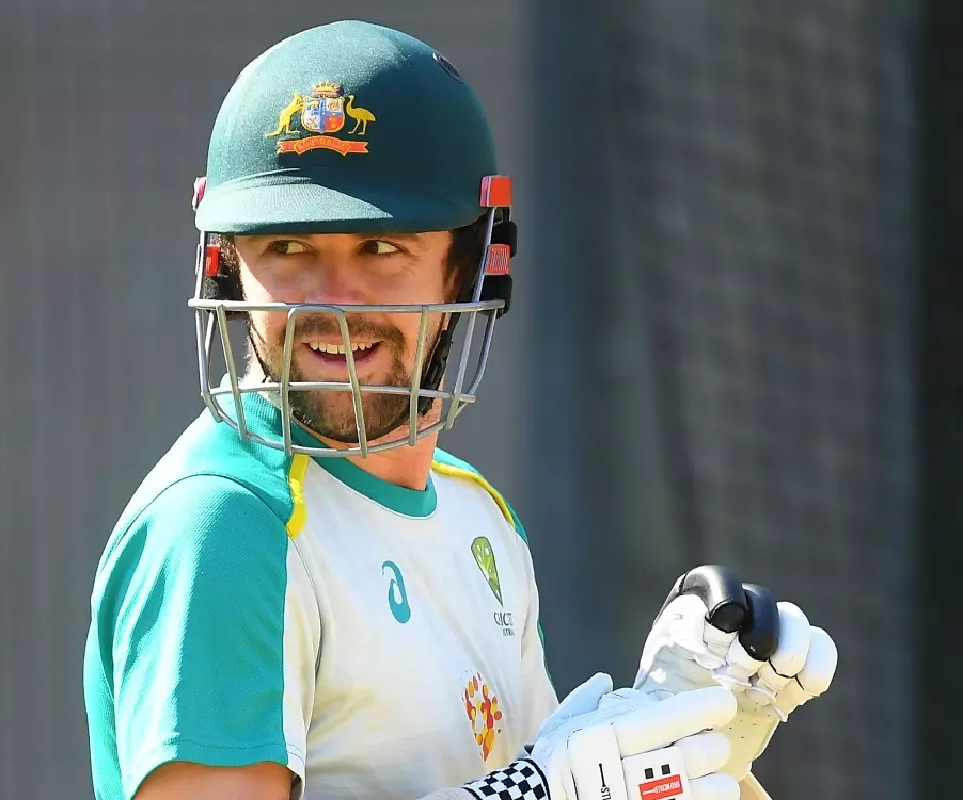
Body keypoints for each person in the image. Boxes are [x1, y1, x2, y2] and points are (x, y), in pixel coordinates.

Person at [82, 20, 837, 800]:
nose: (334, 300)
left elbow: (531, 781)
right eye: (290, 248)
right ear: (227, 266)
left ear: (469, 268)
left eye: (382, 248)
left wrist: (679, 736)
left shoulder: (478, 518)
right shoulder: (226, 526)